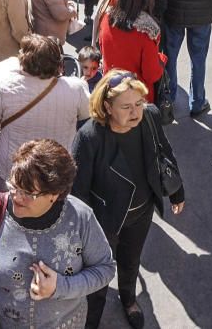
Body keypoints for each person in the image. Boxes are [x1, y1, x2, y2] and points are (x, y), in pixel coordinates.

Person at [0, 139, 115, 328]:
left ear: (55, 194)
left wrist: (60, 287)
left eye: (28, 193)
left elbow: (105, 268)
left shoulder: (80, 218)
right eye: (14, 186)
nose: (16, 197)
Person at [71, 70, 184, 328]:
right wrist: (85, 230)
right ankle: (92, 317)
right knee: (97, 273)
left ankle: (128, 299)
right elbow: (77, 192)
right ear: (107, 106)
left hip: (141, 214)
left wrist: (177, 190)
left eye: (139, 104)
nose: (135, 112)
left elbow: (164, 151)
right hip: (104, 222)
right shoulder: (89, 137)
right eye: (126, 106)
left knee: (131, 261)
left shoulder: (150, 117)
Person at [0, 34, 90, 186]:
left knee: (10, 205)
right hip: (57, 168)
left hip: (15, 169)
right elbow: (88, 113)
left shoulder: (7, 88)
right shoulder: (76, 88)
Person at [97, 0, 165, 104]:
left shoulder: (106, 19)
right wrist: (161, 59)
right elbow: (151, 75)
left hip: (111, 89)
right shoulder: (146, 32)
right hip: (137, 97)